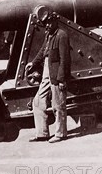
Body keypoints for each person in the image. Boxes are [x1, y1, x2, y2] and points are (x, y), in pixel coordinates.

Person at [26, 10, 71, 143]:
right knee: (38, 102)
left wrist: (62, 79)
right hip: (47, 70)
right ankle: (42, 133)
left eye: (49, 23)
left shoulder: (61, 35)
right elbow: (43, 51)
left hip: (56, 73)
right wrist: (33, 63)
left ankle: (60, 134)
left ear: (55, 21)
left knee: (58, 105)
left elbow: (65, 60)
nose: (47, 25)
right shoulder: (49, 35)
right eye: (45, 23)